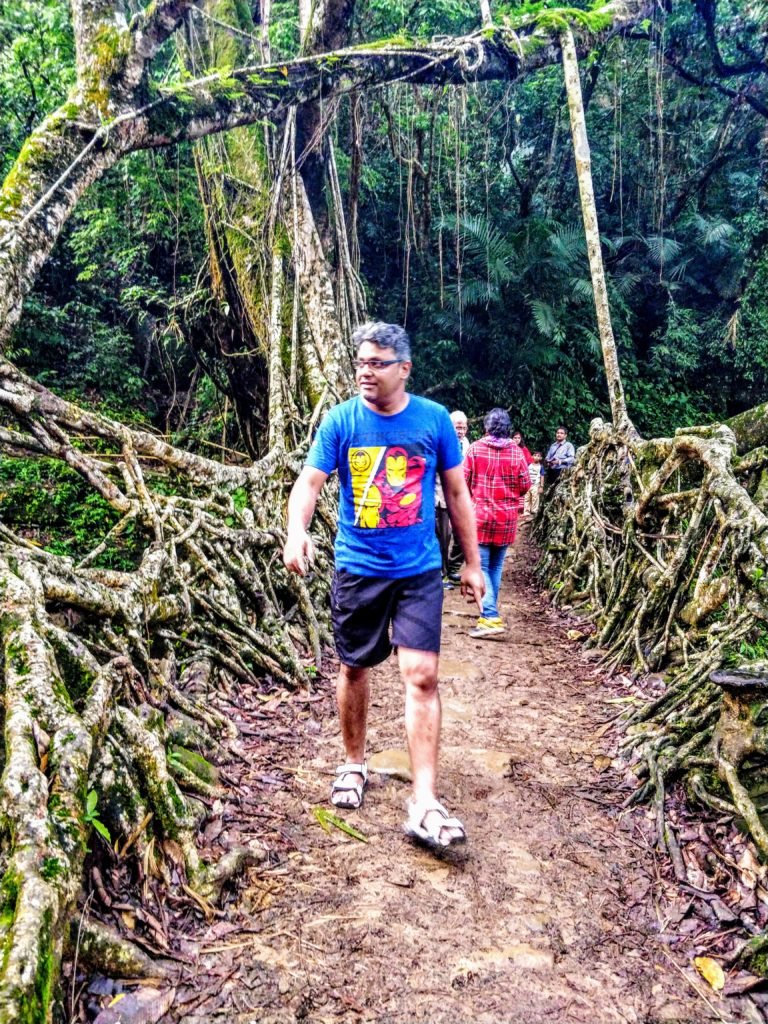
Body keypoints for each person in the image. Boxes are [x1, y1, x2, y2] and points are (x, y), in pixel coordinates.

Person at [283, 322, 485, 850]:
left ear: (404, 368)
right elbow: (309, 482)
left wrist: (472, 563)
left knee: (421, 676)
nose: (364, 371)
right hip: (358, 567)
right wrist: (297, 531)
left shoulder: (434, 421)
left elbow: (458, 495)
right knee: (355, 666)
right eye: (360, 362)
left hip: (417, 572)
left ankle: (424, 798)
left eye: (376, 363)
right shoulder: (342, 420)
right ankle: (354, 763)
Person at [464, 409, 530, 640]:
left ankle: (490, 615)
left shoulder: (475, 449)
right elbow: (525, 484)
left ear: (486, 427)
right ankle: (487, 614)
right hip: (506, 518)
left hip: (480, 516)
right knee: (495, 567)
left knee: (481, 567)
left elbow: (464, 481)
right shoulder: (516, 452)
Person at [524, 452, 544, 518]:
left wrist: (541, 486)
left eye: (538, 456)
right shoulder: (529, 465)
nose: (536, 457)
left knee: (535, 498)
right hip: (528, 484)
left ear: (541, 458)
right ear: (532, 456)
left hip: (536, 485)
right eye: (535, 455)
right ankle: (526, 511)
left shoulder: (541, 467)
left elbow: (542, 476)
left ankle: (534, 511)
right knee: (527, 497)